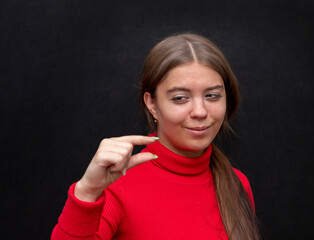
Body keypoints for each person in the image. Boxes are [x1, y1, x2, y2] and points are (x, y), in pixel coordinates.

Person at [51, 33, 261, 240]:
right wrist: (87, 192)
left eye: (212, 96)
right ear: (152, 104)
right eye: (180, 98)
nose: (200, 111)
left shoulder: (237, 183)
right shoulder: (115, 186)